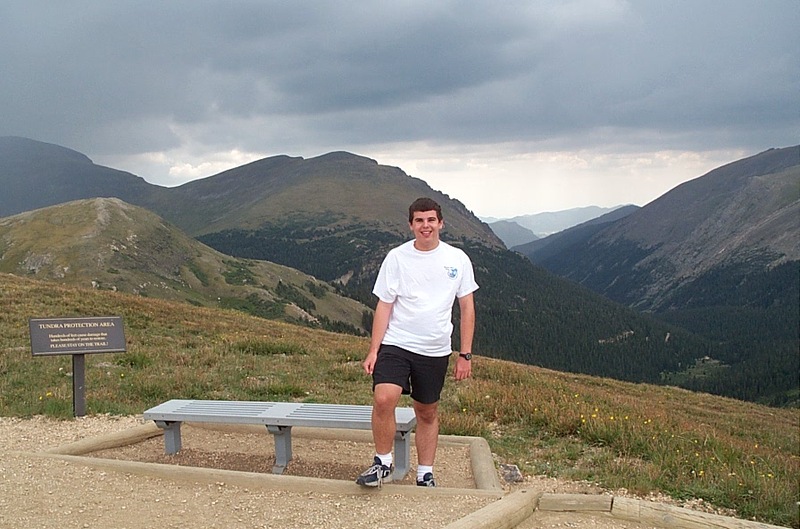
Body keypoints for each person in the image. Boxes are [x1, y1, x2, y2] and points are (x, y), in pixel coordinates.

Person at [356, 197, 478, 488]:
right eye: (419, 220)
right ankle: (382, 463)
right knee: (384, 398)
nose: (426, 226)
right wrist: (374, 350)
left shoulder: (458, 259)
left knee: (427, 411)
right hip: (396, 342)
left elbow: (467, 308)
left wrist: (465, 355)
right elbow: (384, 305)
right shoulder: (397, 257)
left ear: (441, 223)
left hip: (435, 349)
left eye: (431, 220)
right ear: (411, 225)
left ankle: (425, 473)